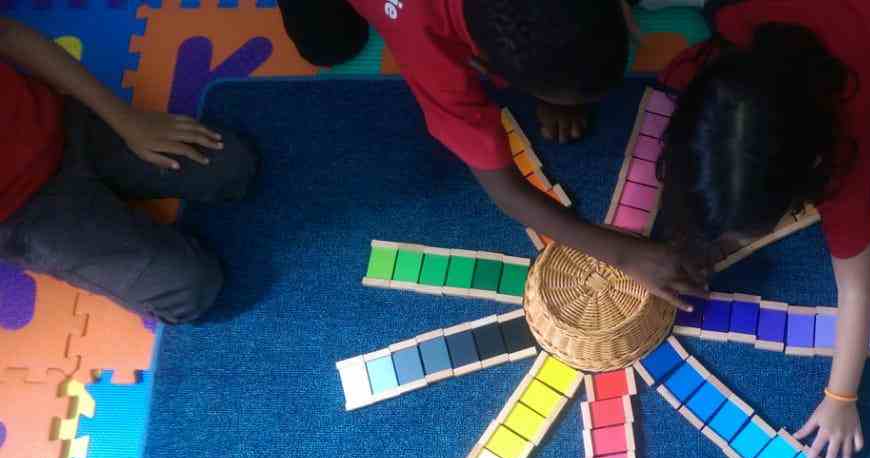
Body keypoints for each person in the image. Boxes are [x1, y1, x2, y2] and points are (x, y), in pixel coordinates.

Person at [656, 1, 870, 458]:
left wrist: (841, 397)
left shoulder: (849, 156)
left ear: (812, 170)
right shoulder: (712, 53)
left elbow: (857, 290)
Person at [276, 0, 706, 307]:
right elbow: (508, 192)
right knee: (329, 47)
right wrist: (621, 254)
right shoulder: (428, 50)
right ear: (484, 68)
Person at [0, 18, 257, 324]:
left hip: (61, 122)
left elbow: (8, 33)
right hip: (25, 213)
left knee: (233, 166)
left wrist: (126, 119)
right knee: (192, 290)